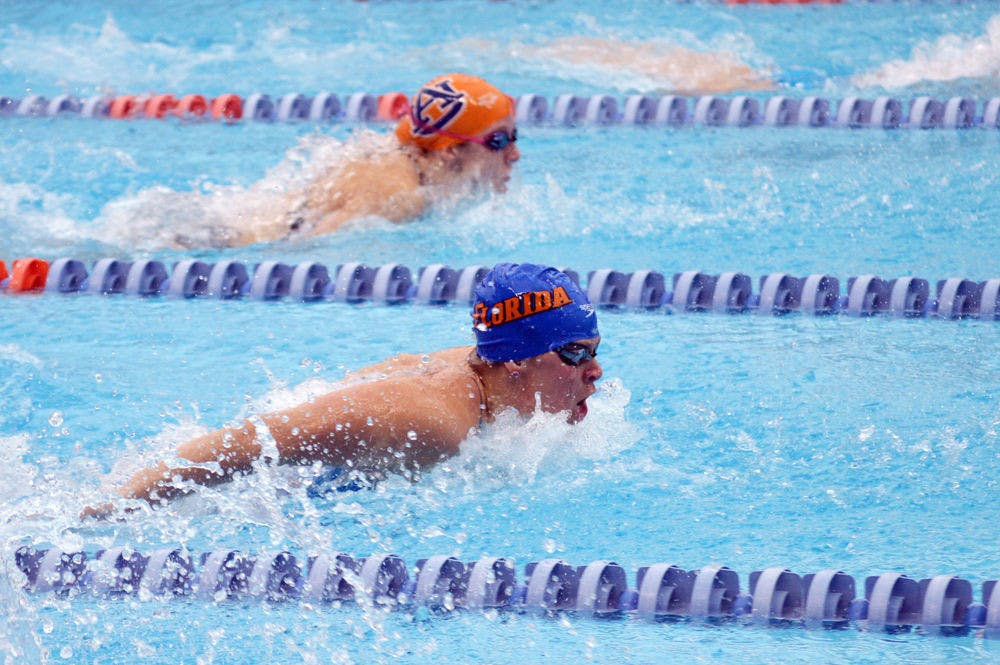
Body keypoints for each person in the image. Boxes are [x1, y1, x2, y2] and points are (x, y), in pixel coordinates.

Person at [82, 263, 601, 517]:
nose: (594, 372)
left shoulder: (488, 372)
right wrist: (104, 510)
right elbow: (248, 442)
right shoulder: (431, 422)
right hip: (259, 491)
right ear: (515, 362)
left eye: (595, 350)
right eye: (576, 353)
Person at [226, 73, 521, 246]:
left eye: (515, 136)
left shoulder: (411, 165)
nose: (514, 155)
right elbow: (306, 247)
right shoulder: (398, 194)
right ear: (451, 149)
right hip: (234, 240)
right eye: (499, 141)